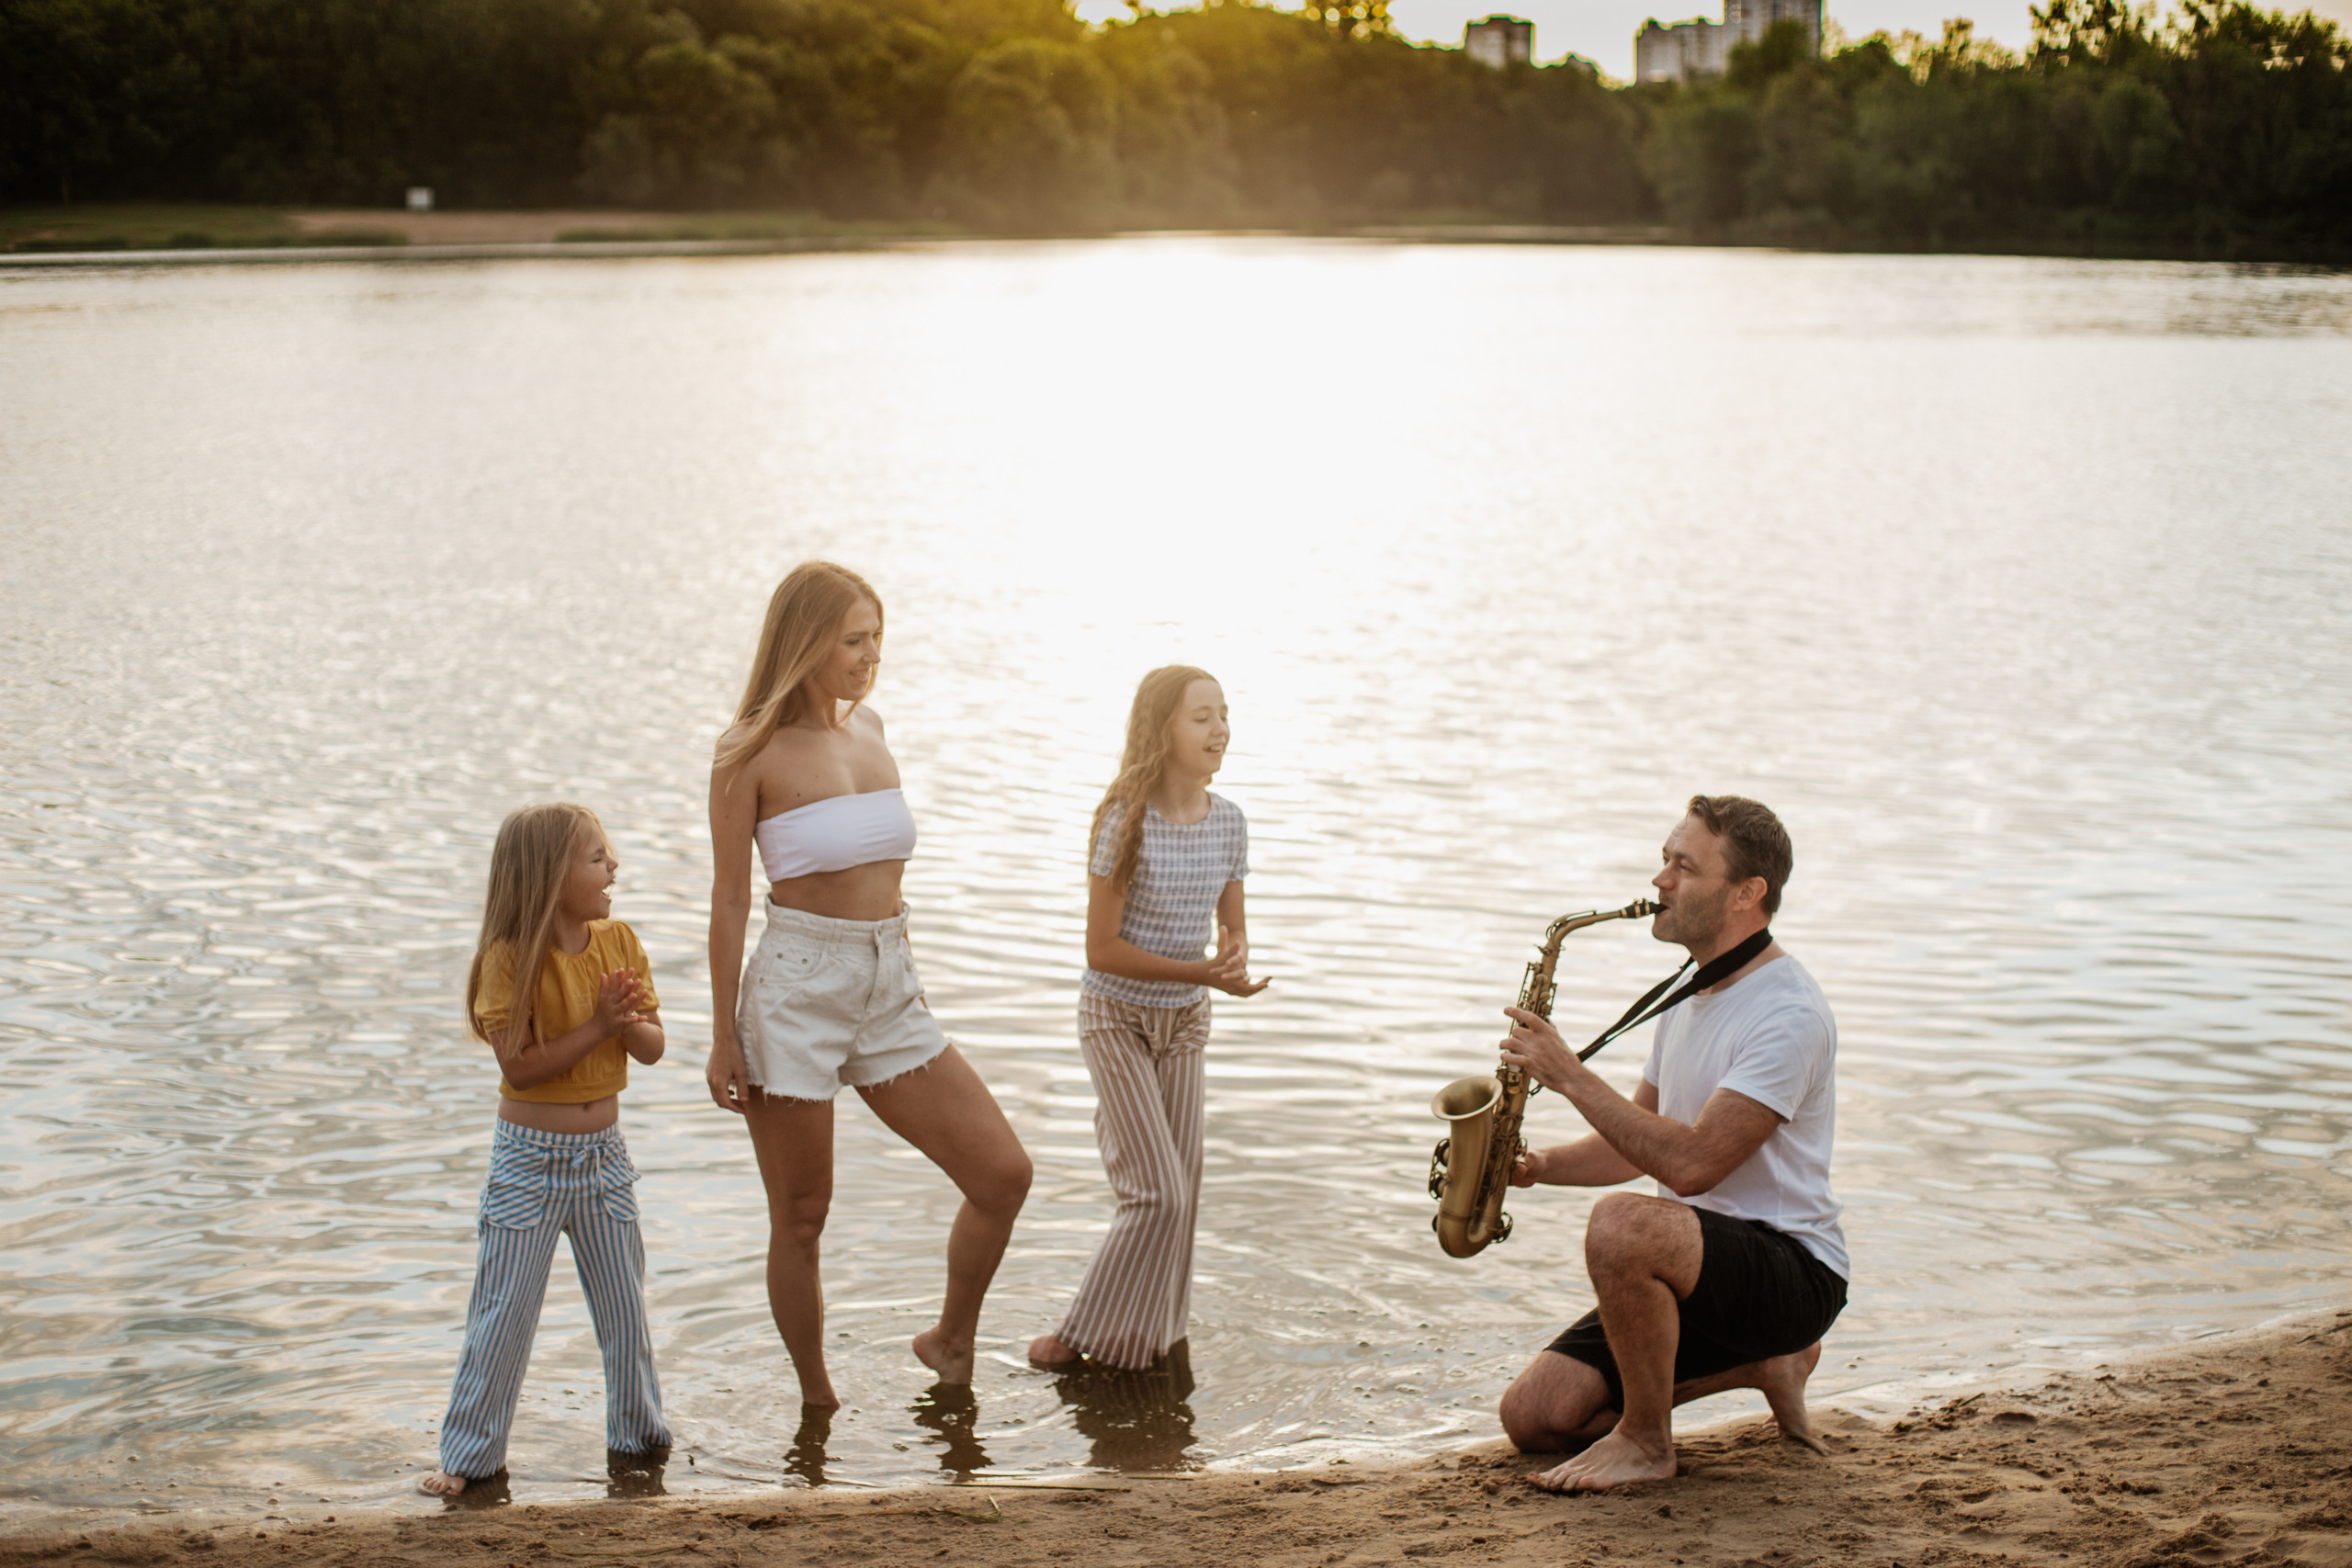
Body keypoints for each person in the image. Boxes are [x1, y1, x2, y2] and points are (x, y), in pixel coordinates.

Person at [704, 560, 1032, 1407]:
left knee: (1003, 1173)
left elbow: (884, 869)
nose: (870, 654)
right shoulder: (749, 752)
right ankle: (818, 1400)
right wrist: (721, 1033)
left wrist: (905, 966)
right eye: (854, 639)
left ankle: (950, 1340)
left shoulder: (872, 727)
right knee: (803, 1215)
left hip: (890, 983)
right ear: (807, 642)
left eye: (876, 636)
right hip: (795, 989)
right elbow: (732, 897)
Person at [1493, 795, 1848, 1492]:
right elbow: (1640, 1142)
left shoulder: (1787, 1013)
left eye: (1684, 866)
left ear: (1749, 893)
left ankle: (1647, 1441)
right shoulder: (1694, 987)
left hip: (1790, 1270)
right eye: (1664, 859)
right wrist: (1536, 1167)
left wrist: (1568, 1074)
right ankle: (1764, 1364)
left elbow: (1690, 1163)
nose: (1660, 881)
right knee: (1534, 1416)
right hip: (1695, 1268)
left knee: (1623, 1224)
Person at [422, 802, 672, 1496]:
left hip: (604, 1159)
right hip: (528, 1160)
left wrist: (626, 1022)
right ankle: (471, 1458)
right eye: (596, 858)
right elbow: (521, 1066)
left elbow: (653, 1047)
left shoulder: (618, 942)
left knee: (625, 1308)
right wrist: (598, 1023)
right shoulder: (510, 958)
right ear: (549, 875)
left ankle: (640, 1440)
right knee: (503, 1312)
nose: (612, 867)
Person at [1028, 666, 1267, 1371]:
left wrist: (1232, 961)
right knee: (1155, 1190)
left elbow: (1231, 927)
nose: (1218, 728)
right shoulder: (1122, 819)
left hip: (1186, 1022)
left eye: (1223, 713)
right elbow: (1102, 948)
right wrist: (1202, 972)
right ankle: (1073, 1338)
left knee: (1182, 1195)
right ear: (1162, 728)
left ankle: (1150, 1342)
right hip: (1116, 1018)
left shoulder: (1229, 821)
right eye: (1201, 716)